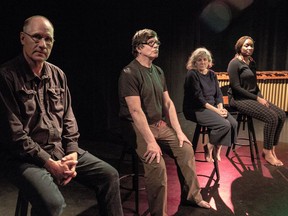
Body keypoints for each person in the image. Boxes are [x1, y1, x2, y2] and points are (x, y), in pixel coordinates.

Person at [0, 15, 123, 216]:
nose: (42, 44)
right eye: (36, 37)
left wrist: (73, 152)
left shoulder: (58, 74)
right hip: (23, 158)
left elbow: (69, 119)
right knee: (52, 204)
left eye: (48, 39)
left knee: (109, 176)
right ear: (23, 38)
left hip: (60, 150)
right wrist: (49, 163)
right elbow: (15, 136)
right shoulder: (6, 76)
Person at [118, 29, 210, 216]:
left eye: (158, 42)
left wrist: (179, 132)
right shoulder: (129, 73)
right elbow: (135, 112)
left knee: (185, 149)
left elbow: (168, 103)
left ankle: (193, 196)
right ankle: (158, 213)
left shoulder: (158, 71)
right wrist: (151, 141)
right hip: (136, 127)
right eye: (152, 43)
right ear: (139, 47)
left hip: (158, 124)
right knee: (156, 164)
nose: (157, 45)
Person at [227, 36, 286, 166]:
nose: (249, 48)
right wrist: (257, 98)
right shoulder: (234, 63)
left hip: (252, 96)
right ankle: (267, 151)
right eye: (246, 45)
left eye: (251, 46)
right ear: (239, 47)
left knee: (281, 115)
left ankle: (272, 148)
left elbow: (254, 85)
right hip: (238, 99)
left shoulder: (251, 62)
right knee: (271, 117)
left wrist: (261, 97)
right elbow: (236, 88)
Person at [183, 47, 238, 162]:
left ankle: (217, 149)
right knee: (224, 125)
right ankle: (209, 146)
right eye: (199, 60)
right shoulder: (192, 74)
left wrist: (221, 108)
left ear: (209, 61)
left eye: (205, 59)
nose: (202, 62)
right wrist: (217, 111)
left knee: (233, 124)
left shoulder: (212, 74)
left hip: (211, 107)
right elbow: (199, 99)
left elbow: (218, 94)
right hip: (196, 109)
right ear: (194, 62)